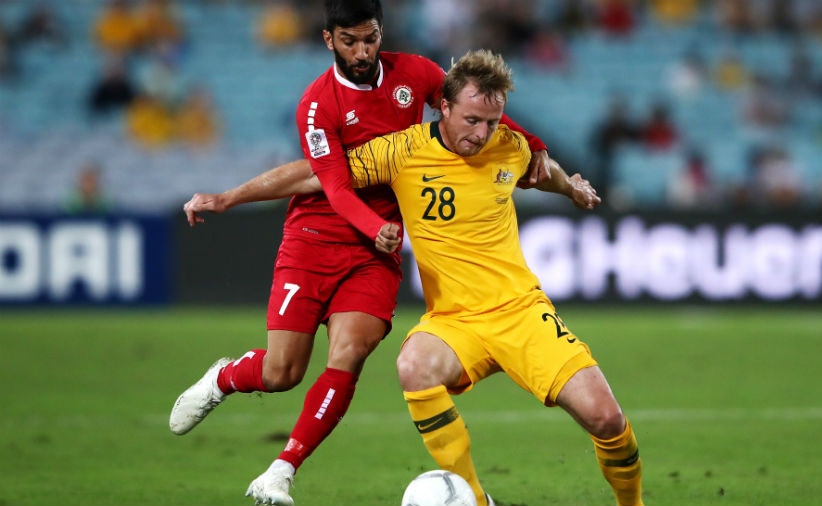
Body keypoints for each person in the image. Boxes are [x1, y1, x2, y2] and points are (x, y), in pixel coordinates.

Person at [170, 2, 551, 506]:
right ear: (329, 39)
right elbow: (331, 183)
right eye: (349, 41)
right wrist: (375, 226)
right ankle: (225, 376)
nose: (362, 51)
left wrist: (533, 141)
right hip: (315, 235)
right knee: (281, 373)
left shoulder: (415, 74)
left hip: (374, 250)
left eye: (369, 39)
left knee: (348, 354)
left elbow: (471, 109)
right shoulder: (317, 104)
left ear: (380, 33)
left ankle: (281, 471)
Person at [286, 49, 644, 506]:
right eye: (473, 119)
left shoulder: (509, 147)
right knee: (413, 365)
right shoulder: (403, 150)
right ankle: (476, 500)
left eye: (493, 122)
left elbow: (542, 171)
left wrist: (570, 185)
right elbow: (319, 174)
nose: (482, 133)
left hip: (521, 312)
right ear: (445, 106)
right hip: (454, 320)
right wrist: (230, 198)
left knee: (607, 419)